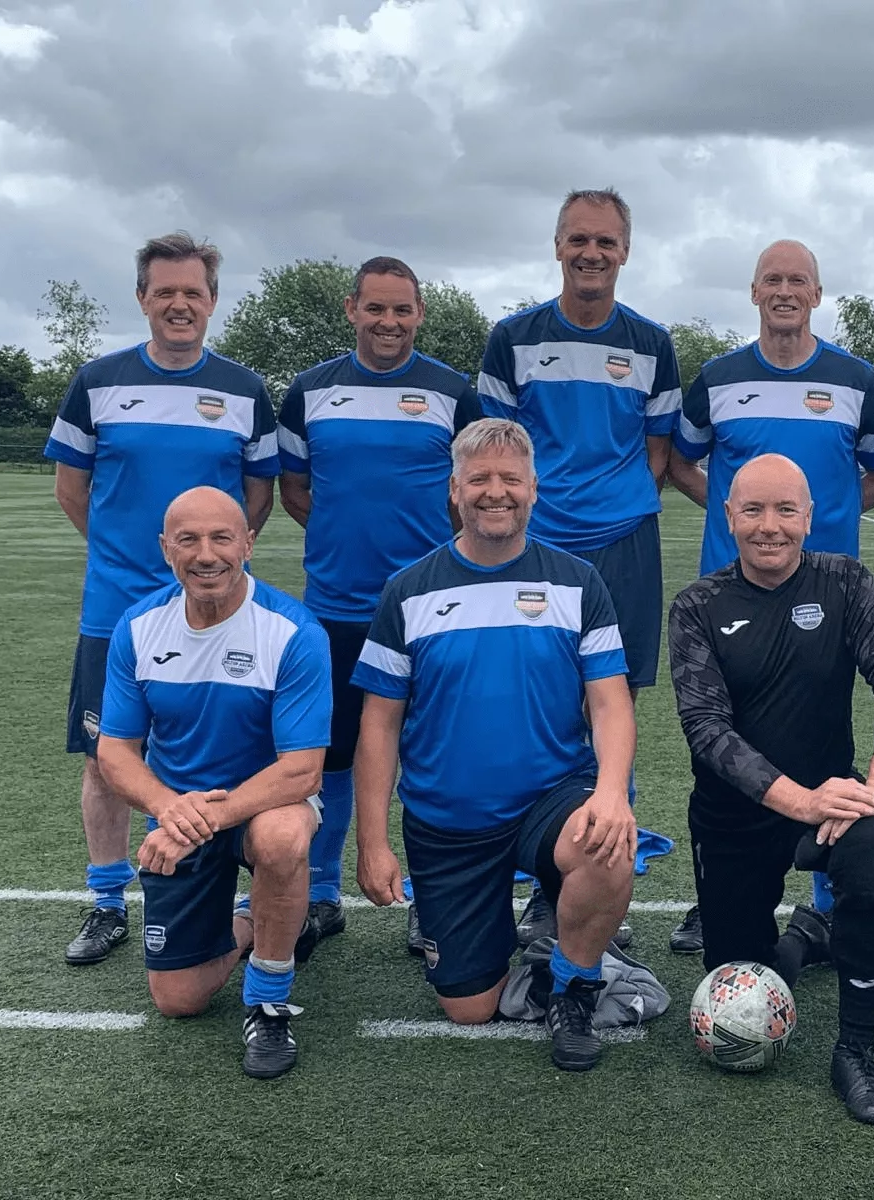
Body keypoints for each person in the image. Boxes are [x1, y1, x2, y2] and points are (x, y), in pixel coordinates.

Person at [352, 419, 637, 1072]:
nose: (495, 492)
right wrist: (372, 841)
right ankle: (535, 947)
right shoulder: (409, 590)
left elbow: (610, 701)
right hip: (448, 821)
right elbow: (378, 726)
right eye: (479, 478)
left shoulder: (577, 582)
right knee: (469, 1007)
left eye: (510, 478)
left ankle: (573, 982)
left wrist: (613, 793)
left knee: (607, 845)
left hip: (549, 797)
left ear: (534, 489)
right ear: (455, 490)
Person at [44, 233, 279, 967]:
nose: (180, 304)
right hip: (117, 608)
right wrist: (137, 562)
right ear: (143, 297)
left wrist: (206, 568)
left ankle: (246, 897)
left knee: (241, 748)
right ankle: (109, 901)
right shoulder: (98, 380)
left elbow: (258, 495)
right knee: (106, 756)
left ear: (212, 301)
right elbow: (71, 489)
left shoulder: (245, 390)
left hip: (219, 606)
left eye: (194, 293)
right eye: (165, 292)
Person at [669, 454, 874, 1125]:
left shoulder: (846, 582)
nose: (770, 526)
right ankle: (810, 936)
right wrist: (798, 800)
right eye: (753, 510)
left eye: (786, 510)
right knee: (740, 980)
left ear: (809, 517)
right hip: (734, 816)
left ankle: (857, 1050)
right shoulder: (698, 605)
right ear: (729, 517)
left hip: (832, 810)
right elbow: (707, 730)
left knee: (873, 856)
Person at [666, 239, 874, 953]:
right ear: (754, 291)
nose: (785, 291)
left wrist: (810, 527)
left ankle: (831, 894)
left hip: (823, 594)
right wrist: (746, 517)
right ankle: (721, 896)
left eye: (799, 280)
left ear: (818, 293)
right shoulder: (716, 377)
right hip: (731, 590)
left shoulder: (857, 379)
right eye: (773, 279)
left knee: (824, 732)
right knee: (723, 738)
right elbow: (679, 460)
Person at [478, 187, 680, 943]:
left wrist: (611, 504)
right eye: (578, 239)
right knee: (538, 701)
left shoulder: (653, 343)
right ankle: (535, 876)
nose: (592, 253)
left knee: (613, 706)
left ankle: (602, 869)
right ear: (557, 246)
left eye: (606, 242)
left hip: (624, 541)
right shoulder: (513, 337)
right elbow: (495, 448)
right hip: (537, 546)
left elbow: (656, 454)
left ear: (625, 252)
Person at [276, 256, 481, 955]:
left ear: (420, 313)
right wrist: (345, 544)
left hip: (430, 608)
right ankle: (321, 894)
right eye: (376, 309)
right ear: (351, 309)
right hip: (334, 606)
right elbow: (297, 493)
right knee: (327, 757)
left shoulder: (455, 392)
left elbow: (473, 491)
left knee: (429, 756)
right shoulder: (309, 392)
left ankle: (430, 898)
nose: (389, 322)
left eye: (402, 310)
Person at [95, 487, 330, 1080]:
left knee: (281, 839)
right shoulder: (138, 627)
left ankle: (269, 998)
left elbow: (301, 769)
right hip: (181, 811)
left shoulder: (292, 631)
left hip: (264, 802)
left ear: (248, 542)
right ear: (164, 549)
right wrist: (168, 809)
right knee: (179, 1000)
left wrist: (203, 819)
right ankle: (259, 920)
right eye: (188, 540)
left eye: (222, 537)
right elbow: (115, 752)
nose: (206, 554)